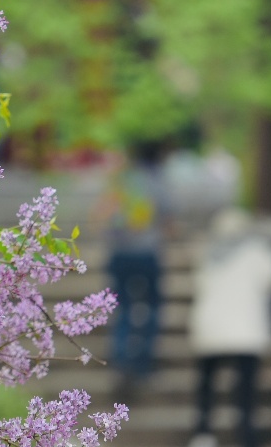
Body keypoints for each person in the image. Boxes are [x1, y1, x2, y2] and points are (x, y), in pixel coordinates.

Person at [187, 207, 271, 447]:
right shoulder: (260, 251)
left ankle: (203, 433)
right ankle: (246, 435)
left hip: (211, 328)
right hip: (247, 330)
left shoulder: (207, 251)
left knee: (207, 384)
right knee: (246, 390)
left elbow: (198, 282)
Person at [103, 143, 171, 388]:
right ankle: (143, 360)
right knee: (151, 306)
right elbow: (168, 216)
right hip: (147, 252)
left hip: (119, 252)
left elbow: (105, 215)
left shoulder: (121, 182)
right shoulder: (157, 181)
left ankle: (121, 358)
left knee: (121, 306)